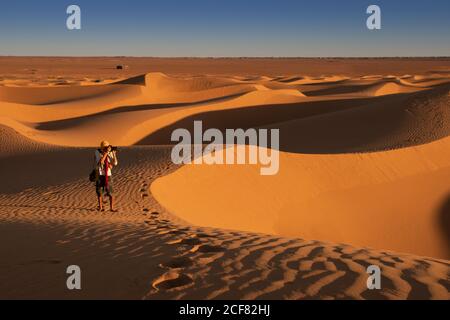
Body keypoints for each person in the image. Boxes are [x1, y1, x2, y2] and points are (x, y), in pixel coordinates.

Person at [94, 140, 119, 212]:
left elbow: (115, 163)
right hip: (100, 174)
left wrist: (114, 154)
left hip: (108, 174)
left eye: (107, 147)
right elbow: (101, 162)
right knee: (99, 191)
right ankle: (101, 207)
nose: (106, 148)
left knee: (111, 191)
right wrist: (106, 153)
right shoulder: (97, 152)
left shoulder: (110, 152)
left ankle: (112, 208)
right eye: (105, 147)